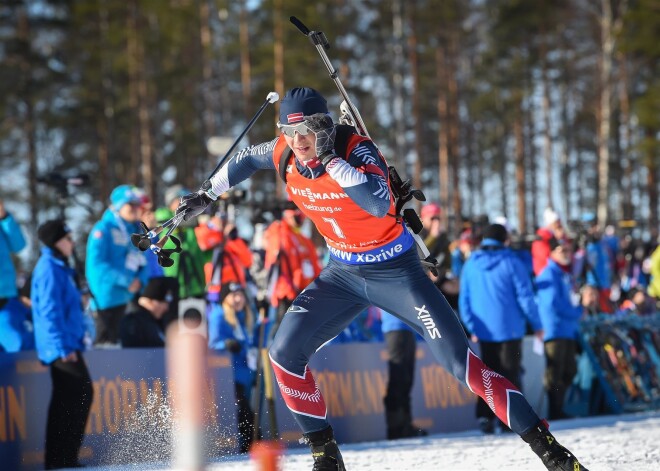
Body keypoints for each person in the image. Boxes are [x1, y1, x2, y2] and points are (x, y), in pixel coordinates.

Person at [174, 87, 588, 470]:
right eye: (289, 131)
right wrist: (207, 193)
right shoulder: (284, 151)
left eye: (308, 131)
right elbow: (246, 158)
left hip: (396, 274)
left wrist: (331, 161)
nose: (298, 142)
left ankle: (549, 450)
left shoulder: (357, 149)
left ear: (325, 128)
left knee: (463, 367)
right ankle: (326, 455)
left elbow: (375, 202)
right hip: (342, 275)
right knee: (283, 352)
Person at [458, 223, 544, 435]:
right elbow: (525, 297)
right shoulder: (512, 262)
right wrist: (537, 324)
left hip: (483, 330)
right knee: (510, 375)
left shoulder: (471, 264)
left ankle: (485, 417)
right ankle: (513, 419)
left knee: (487, 375)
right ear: (504, 239)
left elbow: (464, 300)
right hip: (511, 329)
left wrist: (471, 327)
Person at [31, 219, 93, 469]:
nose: (72, 242)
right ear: (57, 242)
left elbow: (63, 305)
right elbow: (48, 311)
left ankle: (63, 458)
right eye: (68, 238)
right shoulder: (48, 268)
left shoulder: (60, 267)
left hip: (68, 343)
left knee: (70, 397)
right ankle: (60, 459)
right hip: (60, 346)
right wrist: (63, 347)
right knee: (77, 395)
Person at [86, 185, 150, 346]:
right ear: (119, 206)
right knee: (107, 351)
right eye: (131, 204)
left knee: (128, 348)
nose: (136, 208)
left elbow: (145, 260)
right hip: (107, 301)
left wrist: (140, 281)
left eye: (137, 204)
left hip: (130, 298)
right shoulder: (103, 229)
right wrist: (128, 281)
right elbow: (97, 265)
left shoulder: (136, 231)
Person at [535, 239, 586, 420]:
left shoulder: (564, 274)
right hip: (554, 330)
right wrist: (577, 312)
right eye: (561, 249)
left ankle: (559, 408)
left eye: (568, 249)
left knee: (569, 370)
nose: (566, 253)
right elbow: (552, 305)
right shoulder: (549, 274)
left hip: (567, 329)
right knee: (554, 373)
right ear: (552, 253)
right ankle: (555, 411)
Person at [207, 282, 259, 453]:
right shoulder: (219, 315)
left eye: (240, 294)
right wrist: (226, 344)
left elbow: (255, 339)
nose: (238, 299)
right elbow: (213, 344)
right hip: (230, 374)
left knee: (248, 407)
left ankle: (252, 440)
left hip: (247, 372)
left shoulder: (246, 315)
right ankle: (251, 442)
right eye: (233, 295)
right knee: (242, 409)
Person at [262, 205, 322, 340]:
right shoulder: (281, 233)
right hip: (287, 293)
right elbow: (275, 260)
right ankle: (271, 357)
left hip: (305, 292)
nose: (301, 219)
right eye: (297, 216)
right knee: (283, 328)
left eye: (302, 216)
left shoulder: (304, 240)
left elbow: (315, 267)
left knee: (303, 331)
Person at [380, 311, 427, 440]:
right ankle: (395, 427)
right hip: (395, 327)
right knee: (398, 378)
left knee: (406, 380)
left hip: (407, 327)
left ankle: (405, 425)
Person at [0, 199, 34, 352]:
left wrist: (4, 217)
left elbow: (19, 244)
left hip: (7, 295)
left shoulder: (3, 222)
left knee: (22, 344)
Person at [120, 276, 174, 348]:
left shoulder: (156, 321)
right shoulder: (134, 323)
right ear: (151, 302)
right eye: (163, 303)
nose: (166, 308)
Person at [532, 207, 566, 276]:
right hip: (546, 276)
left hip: (556, 274)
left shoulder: (555, 237)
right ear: (550, 224)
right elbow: (546, 258)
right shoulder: (541, 238)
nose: (559, 225)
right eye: (556, 223)